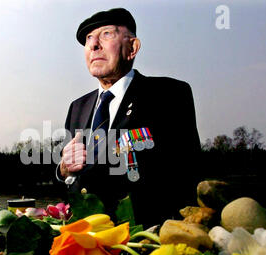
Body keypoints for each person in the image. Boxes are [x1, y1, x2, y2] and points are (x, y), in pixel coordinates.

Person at [56, 8, 201, 228]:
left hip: (145, 243)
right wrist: (63, 169)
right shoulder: (77, 107)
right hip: (85, 241)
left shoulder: (168, 94)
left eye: (106, 34)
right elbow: (70, 190)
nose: (94, 44)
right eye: (89, 39)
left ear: (132, 47)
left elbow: (187, 177)